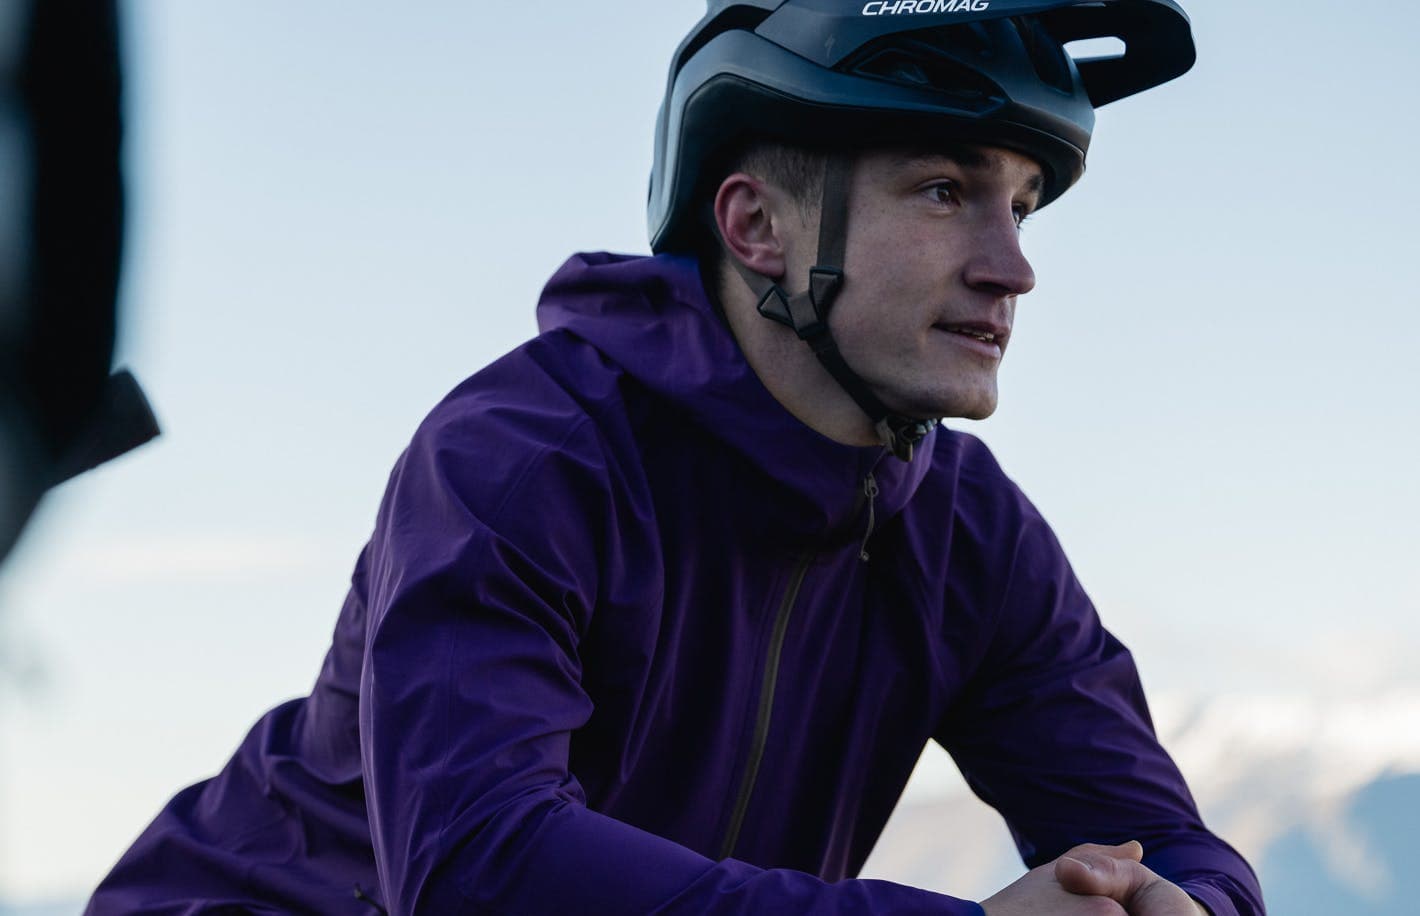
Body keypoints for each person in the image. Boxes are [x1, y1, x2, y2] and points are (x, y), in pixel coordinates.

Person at [88, 1, 1264, 914]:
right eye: (945, 191)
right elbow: (476, 866)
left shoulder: (969, 535)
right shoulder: (526, 454)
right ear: (755, 226)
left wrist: (1175, 901)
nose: (1012, 267)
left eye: (1022, 204)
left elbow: (1164, 839)